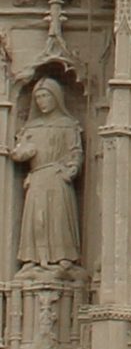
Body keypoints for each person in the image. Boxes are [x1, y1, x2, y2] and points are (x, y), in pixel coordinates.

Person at [11, 77, 81, 268]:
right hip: (37, 176)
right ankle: (33, 257)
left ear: (55, 97)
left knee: (58, 218)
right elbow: (18, 151)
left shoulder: (67, 124)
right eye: (38, 97)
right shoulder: (31, 127)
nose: (42, 101)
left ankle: (63, 255)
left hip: (57, 177)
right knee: (36, 219)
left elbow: (74, 151)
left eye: (45, 96)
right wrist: (24, 151)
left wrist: (72, 167)